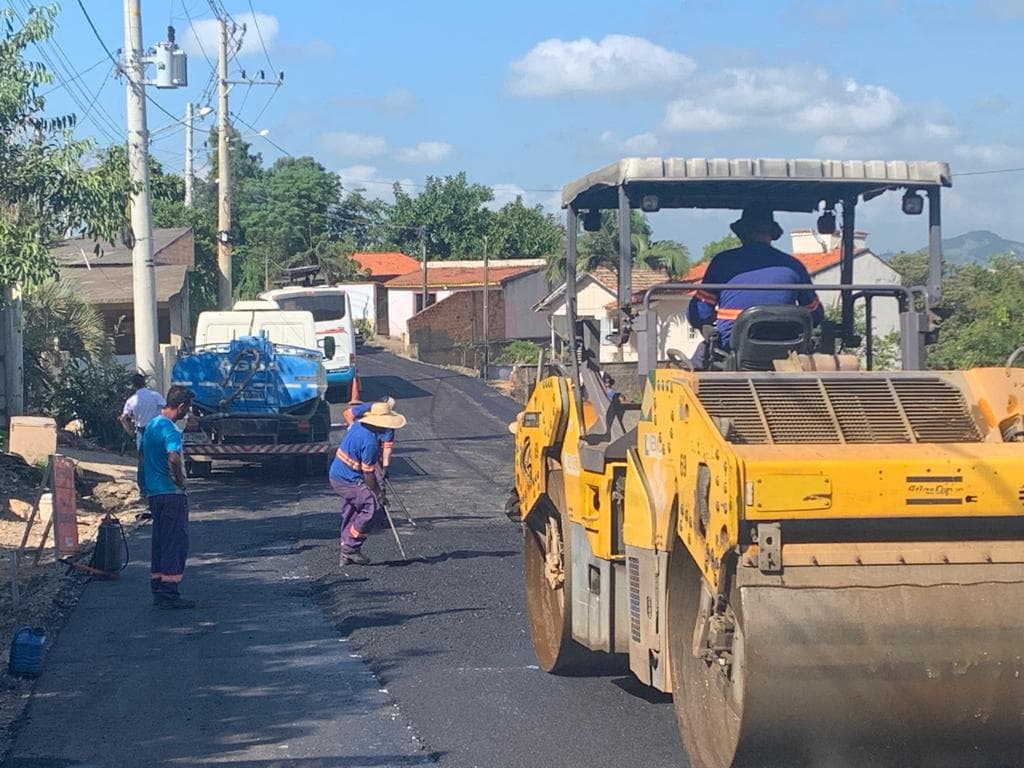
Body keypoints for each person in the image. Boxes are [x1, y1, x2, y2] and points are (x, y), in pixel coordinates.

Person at [687, 207, 824, 367]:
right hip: (786, 349)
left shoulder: (723, 262)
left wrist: (706, 325)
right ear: (772, 234)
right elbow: (816, 314)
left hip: (731, 348)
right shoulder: (793, 266)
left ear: (743, 233)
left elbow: (700, 313)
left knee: (698, 360)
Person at [329, 400, 407, 565]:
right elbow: (369, 475)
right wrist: (379, 495)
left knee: (352, 509)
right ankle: (350, 548)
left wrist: (385, 467)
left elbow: (387, 447)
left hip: (339, 474)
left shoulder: (358, 426)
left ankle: (346, 550)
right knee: (370, 507)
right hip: (348, 479)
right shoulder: (370, 443)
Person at [142, 385, 195, 609]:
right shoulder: (170, 430)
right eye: (187, 409)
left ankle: (158, 585)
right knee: (175, 542)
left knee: (160, 541)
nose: (187, 413)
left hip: (155, 493)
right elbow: (173, 457)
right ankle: (169, 592)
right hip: (171, 493)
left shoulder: (152, 426)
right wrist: (180, 480)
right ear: (181, 406)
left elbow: (142, 457)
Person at [119, 372, 165, 499]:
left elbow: (123, 418)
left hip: (141, 431)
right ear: (144, 383)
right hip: (155, 429)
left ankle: (144, 489)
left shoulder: (132, 400)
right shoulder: (155, 396)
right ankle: (159, 485)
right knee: (158, 457)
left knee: (143, 461)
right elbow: (164, 409)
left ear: (133, 385)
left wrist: (129, 431)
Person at [343, 397, 397, 479]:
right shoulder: (367, 407)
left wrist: (385, 466)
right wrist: (353, 430)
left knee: (376, 476)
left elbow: (387, 447)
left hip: (372, 446)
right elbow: (347, 414)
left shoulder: (389, 425)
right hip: (358, 442)